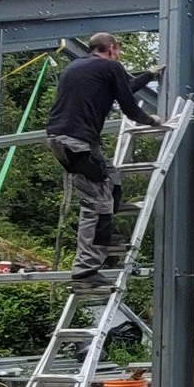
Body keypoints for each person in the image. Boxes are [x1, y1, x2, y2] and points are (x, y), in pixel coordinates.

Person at [46, 32, 164, 298]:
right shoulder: (111, 66)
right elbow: (129, 107)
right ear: (111, 48)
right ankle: (85, 272)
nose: (119, 56)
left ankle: (107, 237)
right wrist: (152, 121)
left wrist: (149, 75)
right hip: (76, 141)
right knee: (97, 201)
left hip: (68, 138)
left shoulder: (77, 67)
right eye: (118, 51)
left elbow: (124, 88)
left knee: (112, 179)